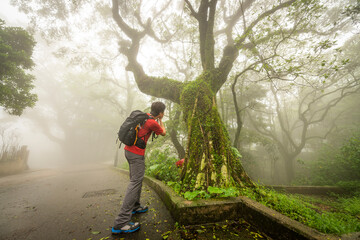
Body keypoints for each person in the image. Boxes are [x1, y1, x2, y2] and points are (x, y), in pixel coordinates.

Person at [112, 102, 166, 234]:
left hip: (128, 151)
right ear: (160, 113)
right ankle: (121, 222)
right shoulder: (153, 122)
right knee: (135, 183)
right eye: (162, 112)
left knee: (136, 180)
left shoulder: (144, 116)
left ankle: (135, 206)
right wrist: (161, 120)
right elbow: (163, 132)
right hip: (136, 155)